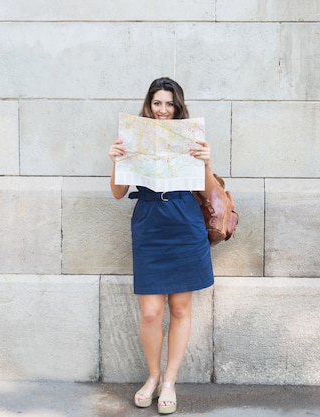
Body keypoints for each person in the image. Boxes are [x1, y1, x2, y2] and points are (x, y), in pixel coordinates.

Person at [108, 77, 218, 414]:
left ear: (178, 107)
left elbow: (209, 190)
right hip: (150, 223)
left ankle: (169, 381)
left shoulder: (191, 140)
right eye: (158, 103)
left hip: (185, 222)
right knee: (152, 311)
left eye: (170, 104)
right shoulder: (134, 139)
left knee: (181, 309)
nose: (163, 110)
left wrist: (207, 160)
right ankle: (153, 377)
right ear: (149, 105)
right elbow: (117, 193)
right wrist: (115, 160)